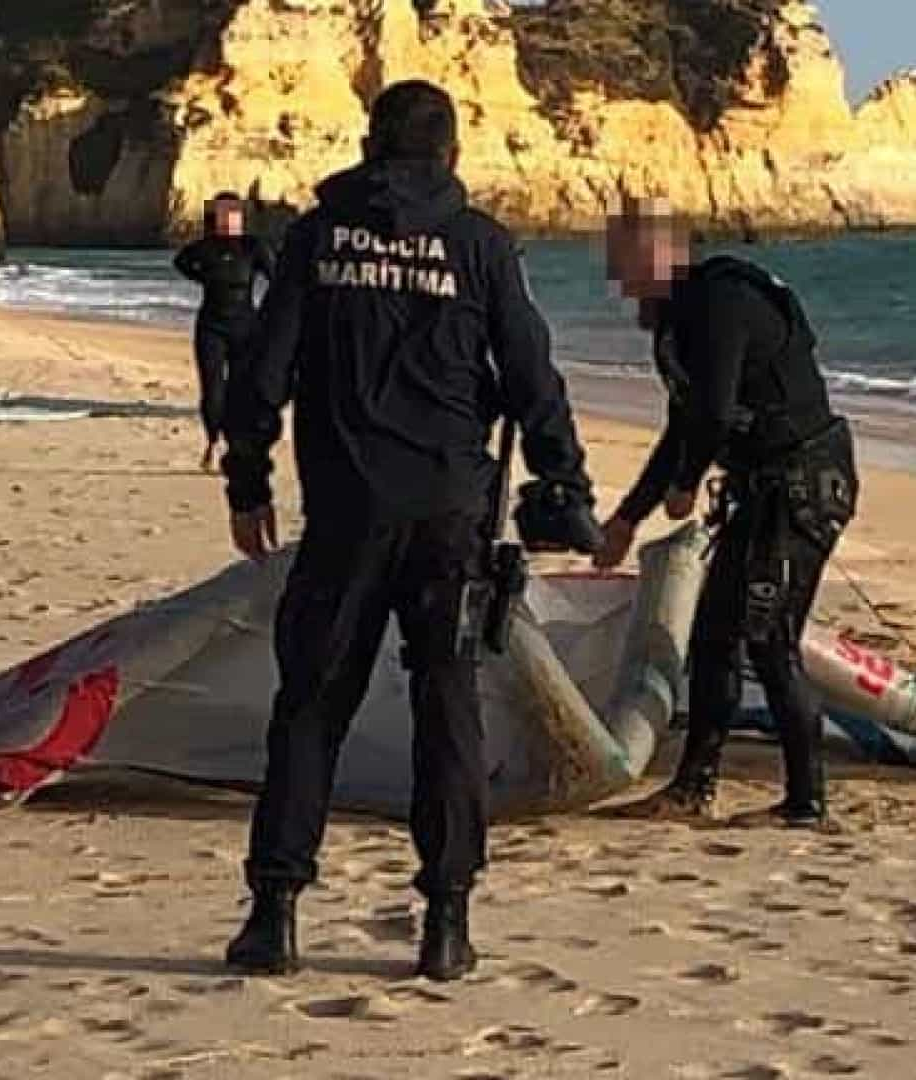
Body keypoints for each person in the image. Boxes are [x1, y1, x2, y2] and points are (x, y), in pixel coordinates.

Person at [219, 80, 601, 981]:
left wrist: (247, 475)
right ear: (451, 153)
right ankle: (447, 922)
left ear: (368, 143)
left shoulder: (318, 239)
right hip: (449, 518)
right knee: (447, 710)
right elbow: (532, 372)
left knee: (310, 707)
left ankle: (274, 914)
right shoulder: (479, 246)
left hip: (345, 515)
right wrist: (564, 476)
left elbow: (262, 369)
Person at [593, 197, 859, 830]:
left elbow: (711, 415)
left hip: (802, 489)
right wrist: (630, 517)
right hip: (759, 490)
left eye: (626, 261)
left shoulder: (721, 300)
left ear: (665, 252)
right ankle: (693, 789)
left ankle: (806, 802)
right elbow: (682, 426)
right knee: (713, 639)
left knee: (770, 642)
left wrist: (685, 485)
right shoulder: (676, 322)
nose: (619, 279)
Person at [173, 193, 276, 472]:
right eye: (223, 214)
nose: (229, 219)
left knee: (241, 389)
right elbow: (181, 262)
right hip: (211, 327)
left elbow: (277, 280)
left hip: (246, 327)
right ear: (214, 218)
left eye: (234, 214)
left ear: (241, 217)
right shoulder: (204, 248)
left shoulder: (253, 247)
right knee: (213, 388)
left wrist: (271, 318)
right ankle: (212, 440)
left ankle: (238, 443)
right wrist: (205, 277)